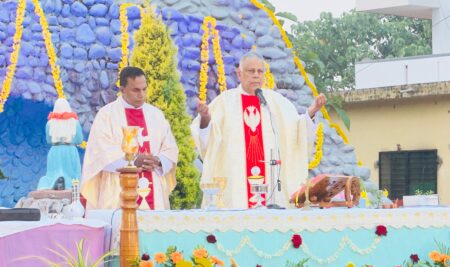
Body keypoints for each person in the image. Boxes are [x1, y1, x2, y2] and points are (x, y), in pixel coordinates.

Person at [191, 51, 326, 209]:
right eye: (251, 71)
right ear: (239, 74)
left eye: (260, 71)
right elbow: (208, 141)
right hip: (236, 189)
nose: (256, 75)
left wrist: (312, 111)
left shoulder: (276, 102)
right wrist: (205, 118)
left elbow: (297, 131)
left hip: (271, 186)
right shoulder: (225, 102)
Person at [80, 66, 179, 210]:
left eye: (144, 89)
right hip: (117, 189)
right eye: (136, 90)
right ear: (122, 90)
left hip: (153, 189)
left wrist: (158, 161)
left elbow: (170, 149)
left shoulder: (156, 115)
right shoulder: (106, 115)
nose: (142, 95)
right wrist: (132, 160)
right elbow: (99, 152)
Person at [37, 98, 84, 190]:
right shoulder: (74, 122)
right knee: (72, 173)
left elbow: (49, 140)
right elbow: (79, 140)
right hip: (70, 150)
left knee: (52, 173)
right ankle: (69, 184)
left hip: (55, 151)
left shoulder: (50, 123)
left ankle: (55, 181)